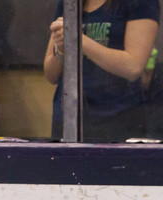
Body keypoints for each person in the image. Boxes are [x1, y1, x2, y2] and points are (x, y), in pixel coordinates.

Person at [44, 0, 160, 142]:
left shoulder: (139, 2)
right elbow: (51, 75)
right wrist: (61, 50)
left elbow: (133, 67)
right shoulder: (70, 3)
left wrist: (80, 40)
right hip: (68, 118)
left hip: (118, 118)